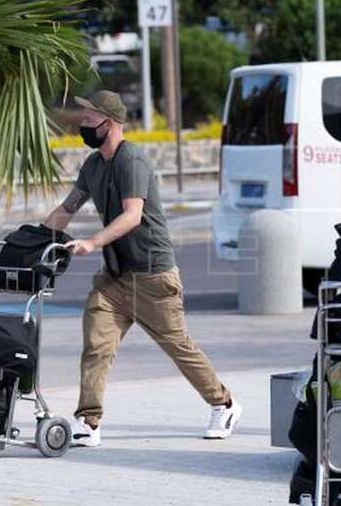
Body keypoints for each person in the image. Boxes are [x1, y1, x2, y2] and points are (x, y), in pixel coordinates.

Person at [43, 90, 242, 447]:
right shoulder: (93, 165)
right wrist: (34, 239)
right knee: (96, 345)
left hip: (152, 274)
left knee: (178, 346)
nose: (83, 124)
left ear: (111, 123)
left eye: (89, 119)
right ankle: (88, 422)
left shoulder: (131, 160)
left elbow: (132, 215)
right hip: (115, 278)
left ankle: (224, 404)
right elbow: (68, 208)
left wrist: (92, 242)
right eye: (83, 118)